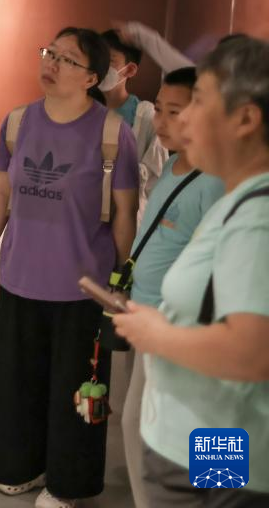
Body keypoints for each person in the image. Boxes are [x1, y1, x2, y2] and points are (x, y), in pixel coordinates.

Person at [0, 28, 139, 508]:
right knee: (17, 382)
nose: (52, 63)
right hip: (20, 278)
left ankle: (68, 483)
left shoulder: (113, 133)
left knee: (76, 389)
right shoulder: (18, 121)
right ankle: (18, 466)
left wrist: (120, 278)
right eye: (51, 53)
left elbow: (125, 213)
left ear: (92, 77)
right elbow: (1, 192)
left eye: (68, 59)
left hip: (83, 289)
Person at [113, 35, 269, 507]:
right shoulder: (238, 199)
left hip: (215, 435)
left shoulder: (257, 217)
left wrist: (157, 333)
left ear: (246, 119)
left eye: (198, 102)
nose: (183, 120)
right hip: (196, 432)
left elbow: (249, 353)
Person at [116, 67, 224, 508]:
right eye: (158, 109)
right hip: (153, 321)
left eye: (173, 112)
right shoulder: (174, 166)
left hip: (190, 331)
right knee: (140, 424)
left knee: (209, 429)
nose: (160, 122)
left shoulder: (218, 180)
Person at [100, 29, 168, 202]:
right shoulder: (82, 109)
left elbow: (157, 180)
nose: (100, 66)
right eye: (97, 59)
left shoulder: (146, 117)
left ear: (129, 69)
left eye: (109, 60)